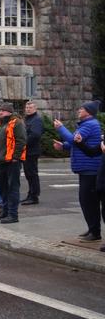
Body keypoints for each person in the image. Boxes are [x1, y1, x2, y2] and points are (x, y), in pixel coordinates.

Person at [54, 101, 102, 242]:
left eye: (82, 109)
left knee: (88, 201)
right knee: (86, 201)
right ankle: (92, 229)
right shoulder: (86, 124)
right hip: (85, 168)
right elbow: (79, 143)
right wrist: (63, 146)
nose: (79, 110)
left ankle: (95, 232)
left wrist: (61, 129)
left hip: (90, 168)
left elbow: (75, 141)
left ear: (89, 112)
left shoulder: (90, 125)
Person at [0, 103, 27, 224]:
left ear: (10, 112)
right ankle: (5, 211)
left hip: (11, 162)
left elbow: (21, 140)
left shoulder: (16, 123)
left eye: (4, 110)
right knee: (3, 188)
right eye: (0, 110)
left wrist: (15, 158)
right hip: (1, 161)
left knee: (12, 188)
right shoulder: (1, 124)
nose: (0, 112)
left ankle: (13, 214)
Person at [22, 101, 44, 205]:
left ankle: (34, 196)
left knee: (32, 174)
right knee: (28, 174)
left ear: (35, 109)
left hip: (32, 151)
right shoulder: (27, 119)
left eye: (30, 107)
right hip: (27, 151)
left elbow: (35, 135)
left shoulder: (36, 119)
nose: (28, 109)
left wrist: (23, 144)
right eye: (26, 107)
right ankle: (30, 194)